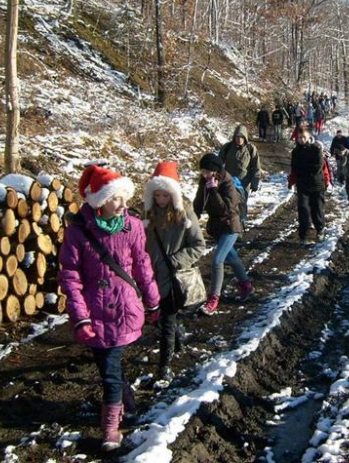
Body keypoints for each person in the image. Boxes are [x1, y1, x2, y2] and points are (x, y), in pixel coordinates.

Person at [59, 165, 160, 452]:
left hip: (123, 309)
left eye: (124, 198)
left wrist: (153, 300)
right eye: (116, 198)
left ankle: (111, 428)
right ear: (99, 201)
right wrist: (80, 317)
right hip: (95, 312)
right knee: (108, 365)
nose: (123, 204)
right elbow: (70, 275)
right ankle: (127, 402)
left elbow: (143, 265)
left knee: (109, 372)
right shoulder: (78, 233)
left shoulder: (133, 226)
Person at [144, 161, 206, 382]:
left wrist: (175, 261)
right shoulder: (147, 213)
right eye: (157, 195)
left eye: (165, 195)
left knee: (167, 323)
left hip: (172, 277)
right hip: (150, 278)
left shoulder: (185, 213)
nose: (161, 200)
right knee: (158, 320)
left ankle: (164, 365)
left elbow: (199, 245)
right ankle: (178, 334)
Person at [193, 153, 253, 315]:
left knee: (217, 260)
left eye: (206, 172)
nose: (204, 175)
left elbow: (226, 209)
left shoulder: (227, 182)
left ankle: (213, 298)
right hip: (217, 227)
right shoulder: (205, 180)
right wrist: (192, 218)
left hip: (230, 225)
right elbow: (199, 201)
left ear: (214, 170)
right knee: (232, 258)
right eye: (202, 172)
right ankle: (246, 286)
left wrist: (213, 191)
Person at [288, 128, 326, 245]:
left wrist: (304, 171)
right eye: (299, 137)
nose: (301, 139)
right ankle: (303, 235)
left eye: (303, 137)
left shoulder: (316, 149)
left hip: (316, 184)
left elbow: (317, 166)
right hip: (302, 185)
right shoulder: (295, 152)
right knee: (303, 209)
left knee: (317, 209)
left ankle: (320, 229)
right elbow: (294, 167)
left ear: (309, 137)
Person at [219, 124, 261, 219]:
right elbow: (218, 163)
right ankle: (231, 224)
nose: (239, 139)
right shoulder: (227, 147)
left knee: (242, 204)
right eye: (237, 136)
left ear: (245, 137)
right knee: (229, 203)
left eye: (241, 137)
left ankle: (241, 224)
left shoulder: (251, 149)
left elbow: (256, 167)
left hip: (244, 183)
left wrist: (255, 183)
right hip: (229, 182)